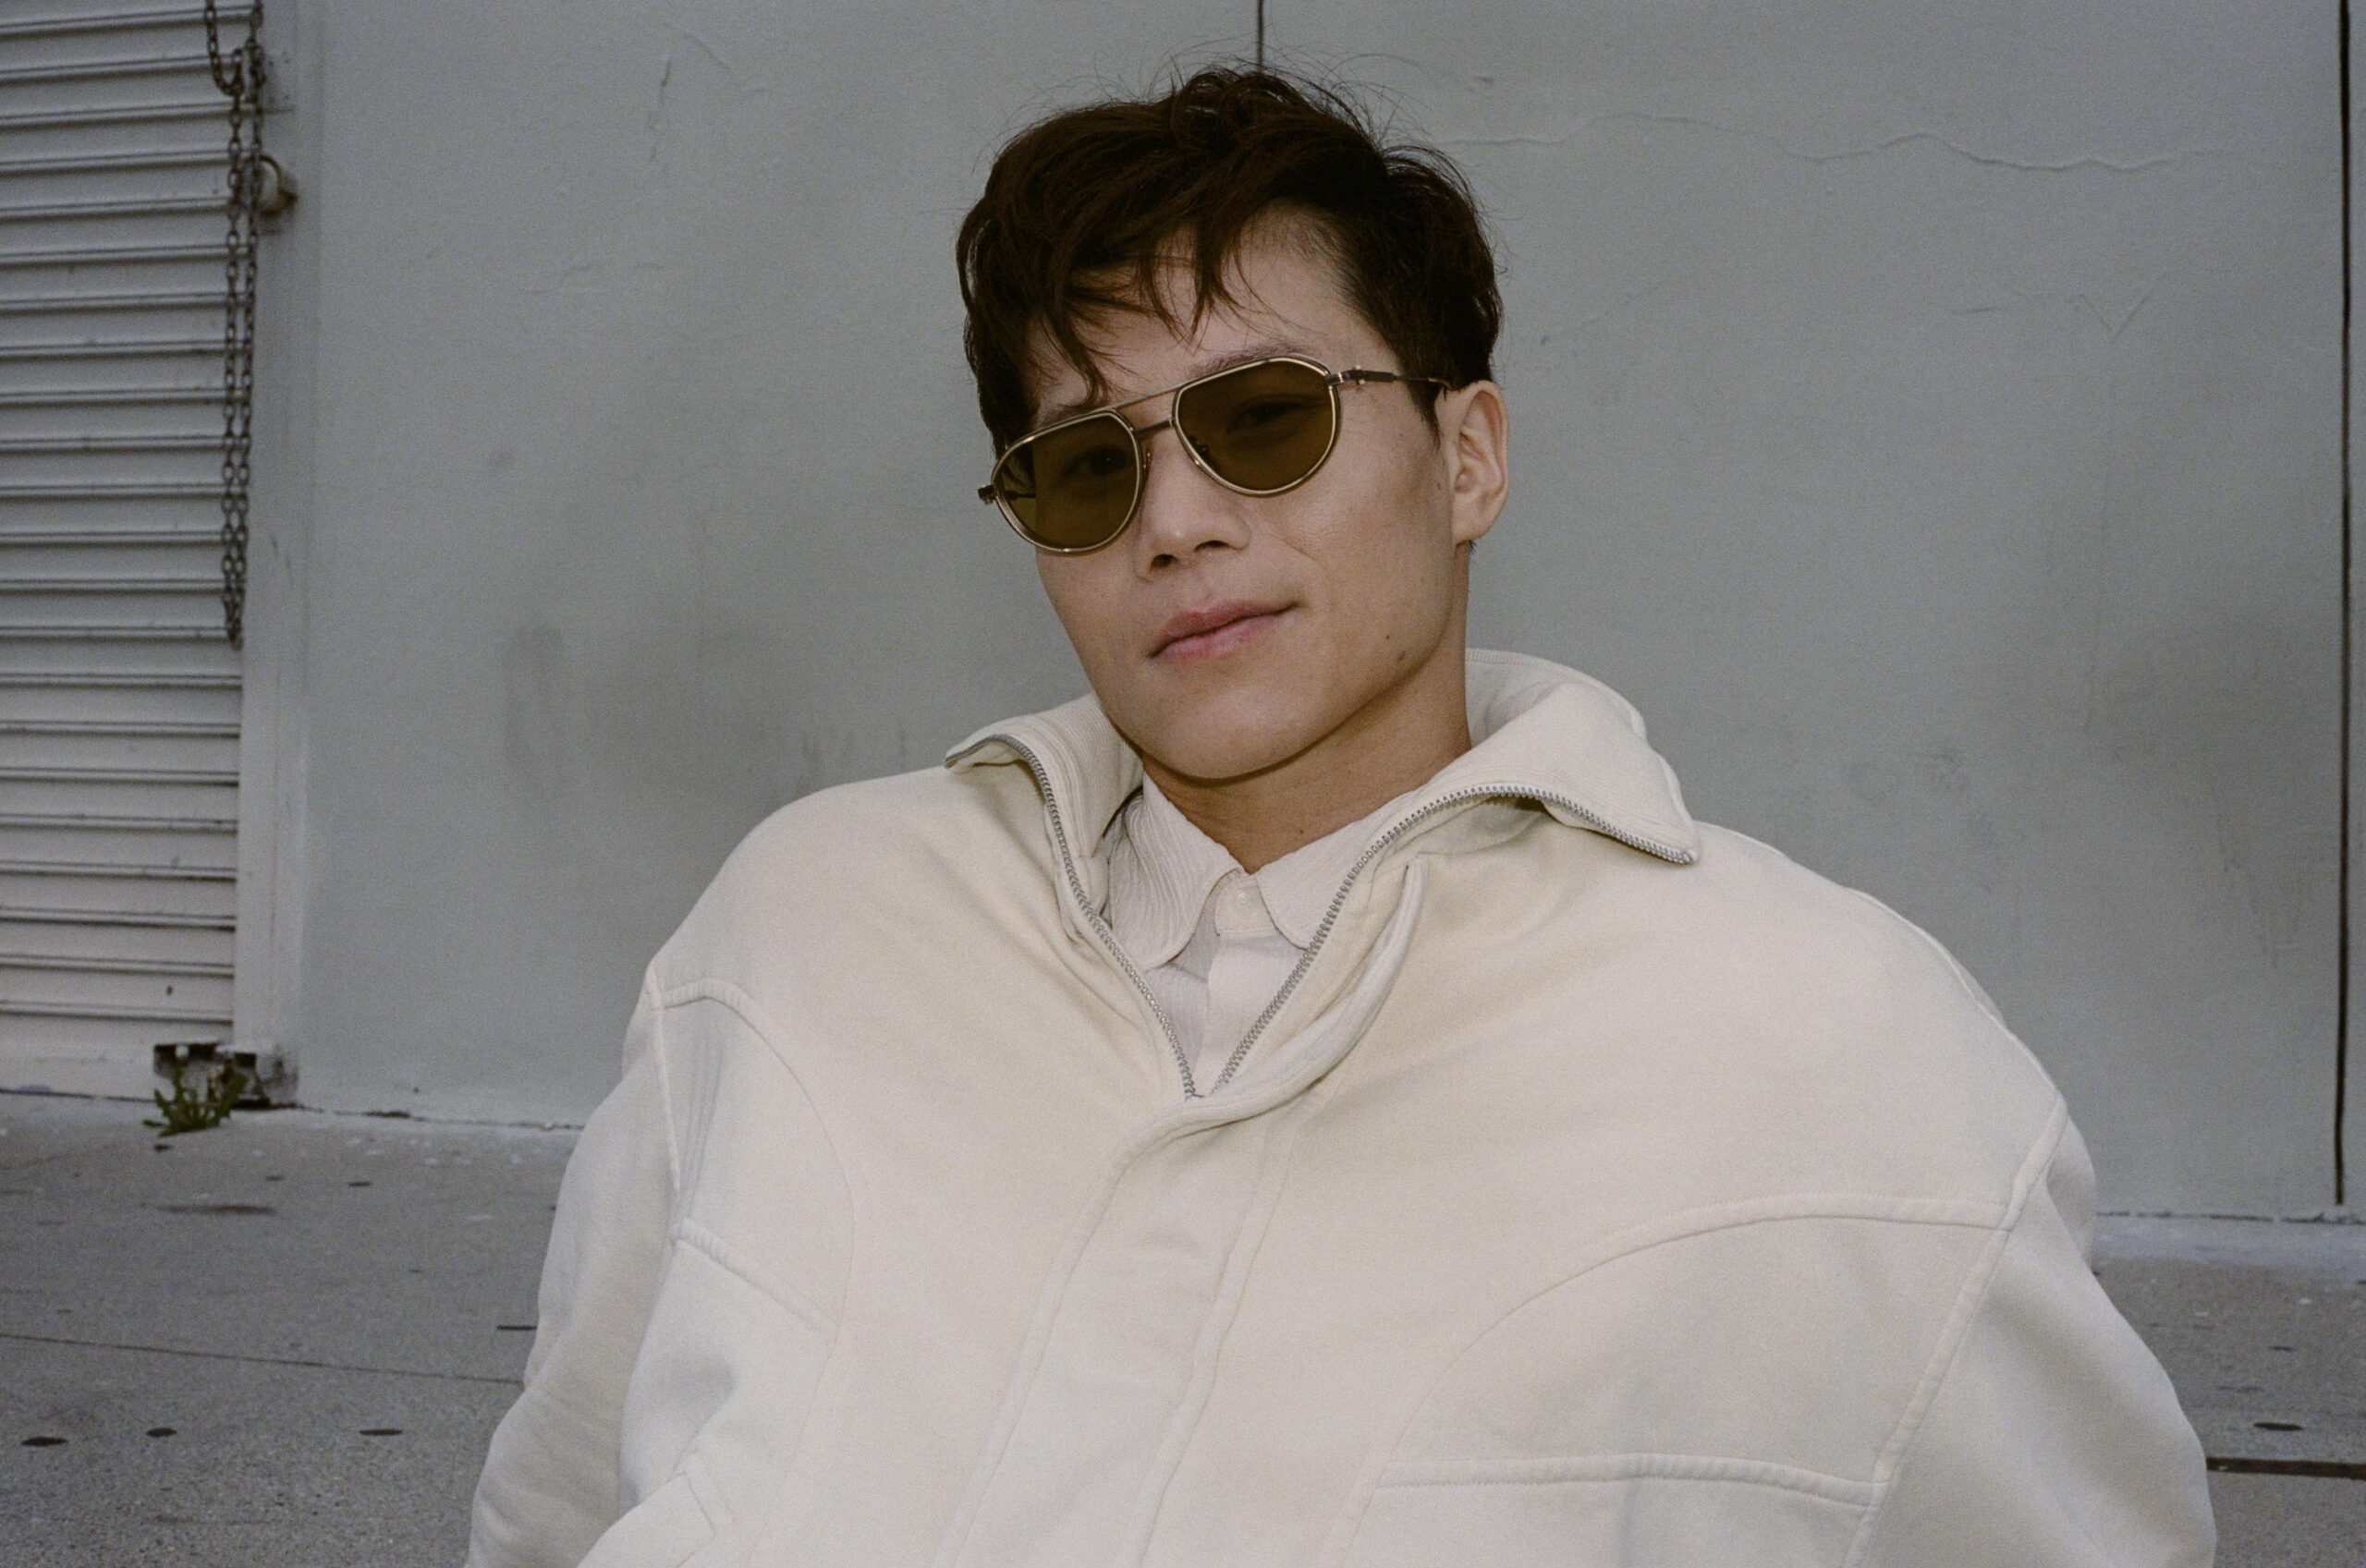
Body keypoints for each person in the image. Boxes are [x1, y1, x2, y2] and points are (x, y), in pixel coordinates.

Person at [465, 66, 2215, 1567]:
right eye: (1087, 465)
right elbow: (558, 1506)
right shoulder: (801, 933)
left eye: (1262, 419)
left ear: (1469, 457)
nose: (1174, 521)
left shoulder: (1842, 1061)